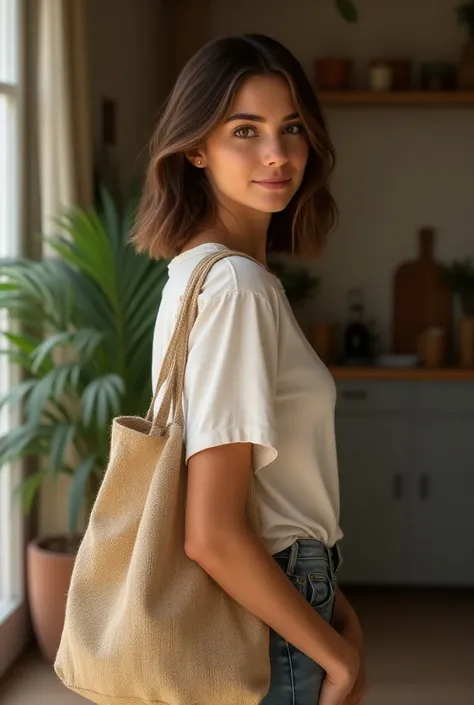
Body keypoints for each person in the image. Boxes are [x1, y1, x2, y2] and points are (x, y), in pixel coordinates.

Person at [132, 34, 368, 705]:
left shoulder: (192, 272)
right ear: (196, 147)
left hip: (275, 584)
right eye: (245, 129)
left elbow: (265, 496)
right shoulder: (237, 287)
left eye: (291, 127)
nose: (278, 153)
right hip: (269, 605)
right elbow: (212, 530)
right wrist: (337, 658)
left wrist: (337, 603)